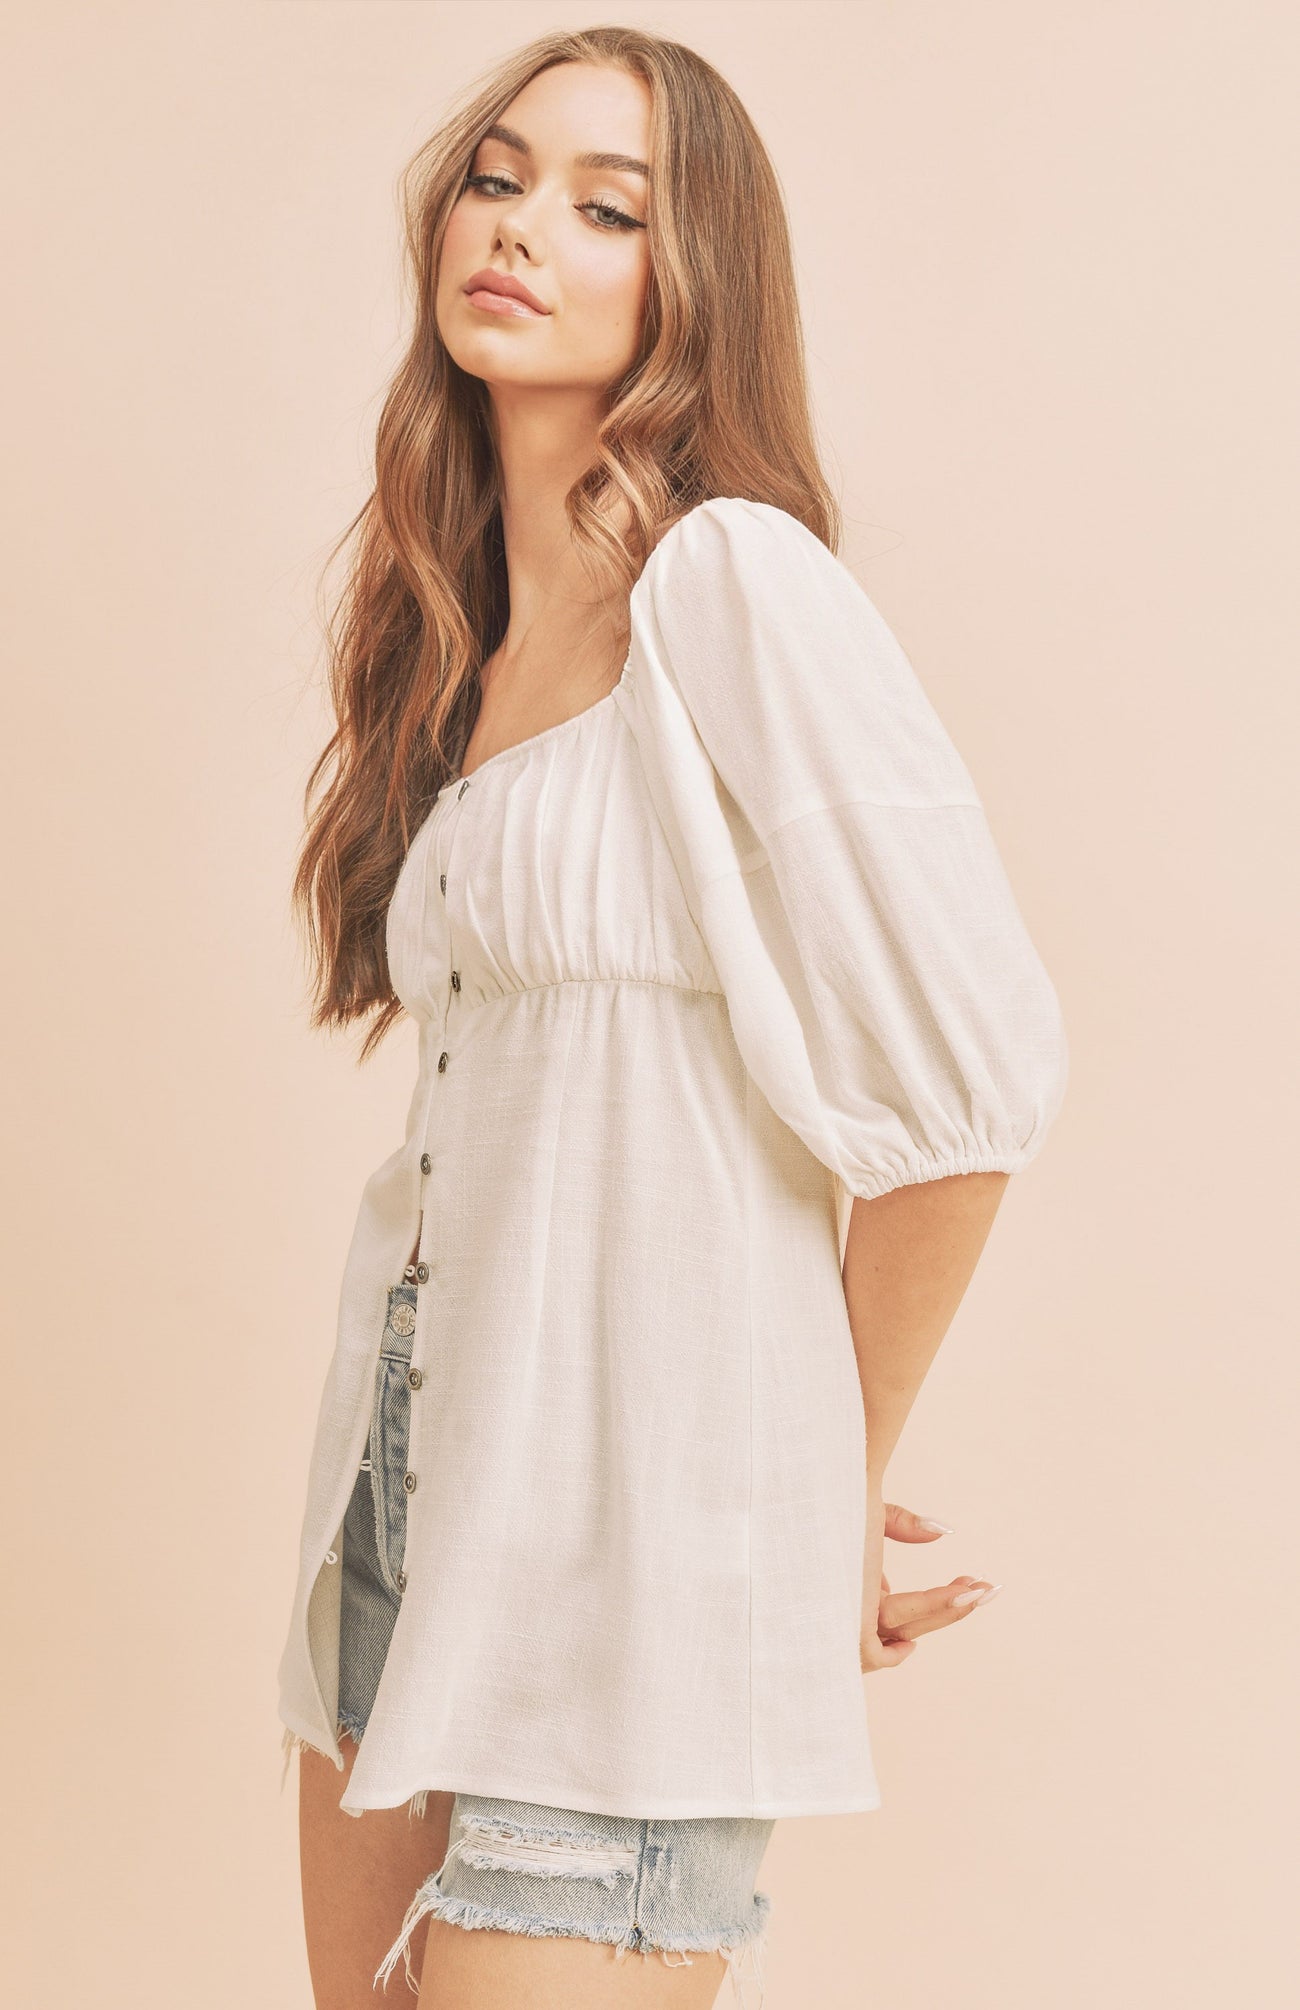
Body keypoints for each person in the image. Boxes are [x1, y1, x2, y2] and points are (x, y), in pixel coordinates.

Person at [276, 25, 1069, 2010]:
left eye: (605, 206)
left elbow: (969, 1092)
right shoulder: (462, 638)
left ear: (689, 279)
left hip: (630, 1547)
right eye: (495, 177)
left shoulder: (726, 584)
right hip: (403, 1499)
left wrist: (830, 1476)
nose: (519, 226)